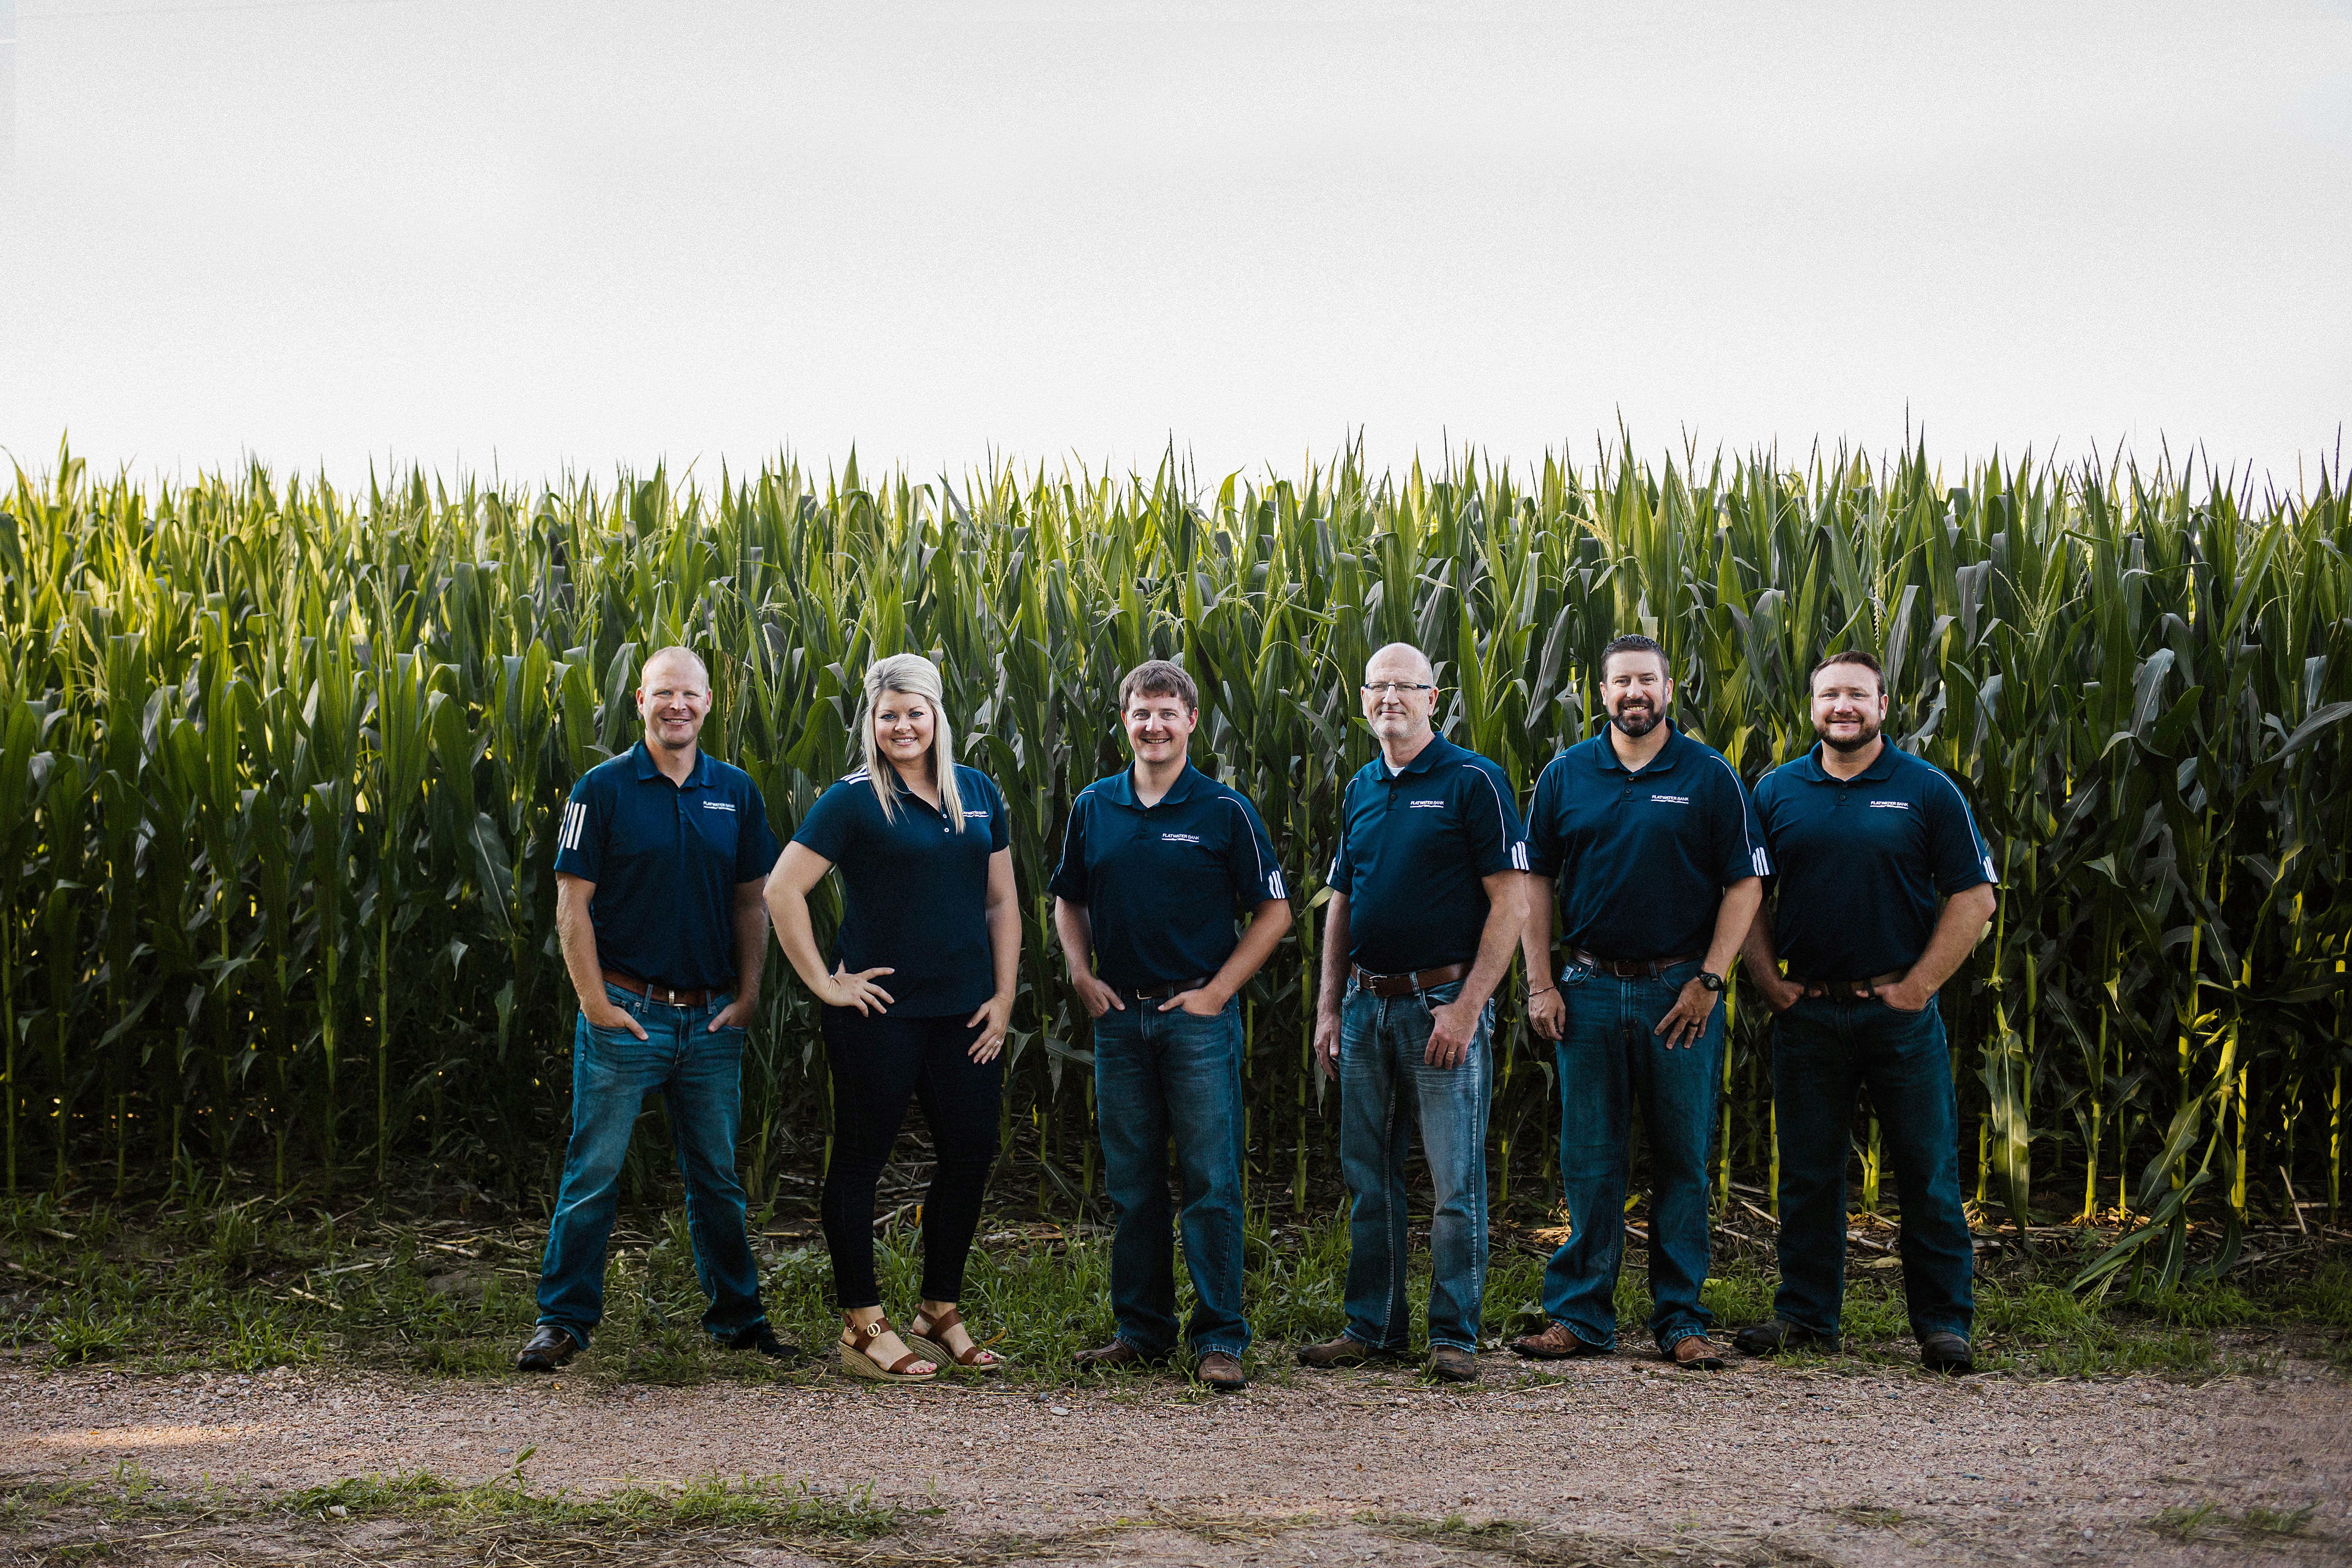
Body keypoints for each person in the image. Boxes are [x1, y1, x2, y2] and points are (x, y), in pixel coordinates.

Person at [518, 645, 795, 1372]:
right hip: (626, 1014)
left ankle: (738, 1320)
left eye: (691, 695)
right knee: (594, 1172)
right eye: (664, 693)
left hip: (708, 1023)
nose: (678, 706)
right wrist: (594, 1003)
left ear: (710, 702)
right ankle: (564, 1321)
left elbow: (750, 902)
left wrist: (747, 995)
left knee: (717, 1178)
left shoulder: (733, 791)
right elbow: (570, 902)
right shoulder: (601, 789)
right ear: (639, 699)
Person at [1733, 649, 1998, 1374]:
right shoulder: (1776, 790)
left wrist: (1916, 987)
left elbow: (1974, 897)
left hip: (1898, 1019)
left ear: (1884, 705)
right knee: (1809, 1175)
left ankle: (1943, 1324)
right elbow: (1746, 895)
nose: (1842, 707)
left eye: (1857, 695)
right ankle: (1806, 1316)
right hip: (1809, 1014)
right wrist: (1768, 982)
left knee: (1926, 1170)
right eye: (1829, 695)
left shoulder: (1925, 790)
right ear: (1812, 706)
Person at [1512, 632, 1766, 1369]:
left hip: (1675, 991)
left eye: (1646, 681)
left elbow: (1745, 881)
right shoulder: (1566, 774)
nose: (1633, 693)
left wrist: (1710, 980)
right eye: (1620, 681)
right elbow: (1534, 882)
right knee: (1589, 1157)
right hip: (1586, 989)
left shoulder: (1708, 774)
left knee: (1682, 1157)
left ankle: (1680, 1319)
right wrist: (1539, 981)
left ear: (1667, 689)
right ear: (1601, 692)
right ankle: (1580, 1316)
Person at [764, 653, 1019, 1382]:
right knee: (861, 1160)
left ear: (938, 715)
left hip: (966, 1011)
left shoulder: (976, 791)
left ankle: (939, 1311)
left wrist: (1003, 996)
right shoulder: (851, 800)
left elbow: (1001, 901)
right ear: (869, 723)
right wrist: (826, 983)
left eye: (915, 711)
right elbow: (783, 891)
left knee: (969, 1155)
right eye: (887, 713)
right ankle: (862, 1324)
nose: (901, 725)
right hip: (879, 1013)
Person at [1052, 660, 1291, 1393]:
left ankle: (1219, 1337)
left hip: (1195, 1019)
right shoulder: (1095, 805)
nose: (1153, 725)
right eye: (1140, 713)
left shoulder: (1223, 811)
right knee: (1132, 1183)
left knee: (1210, 1180)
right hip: (1120, 1018)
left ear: (1190, 721)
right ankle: (1141, 1331)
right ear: (1123, 721)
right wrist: (1080, 972)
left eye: (1166, 712)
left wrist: (1218, 992)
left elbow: (1275, 910)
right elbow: (1068, 898)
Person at [1300, 642, 1529, 1385]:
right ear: (1362, 699)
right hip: (1366, 1007)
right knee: (1370, 1175)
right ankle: (1373, 1327)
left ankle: (1453, 1333)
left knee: (1453, 1179)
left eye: (1406, 686)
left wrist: (1466, 1009)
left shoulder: (1473, 781)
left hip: (1440, 1008)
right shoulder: (1362, 785)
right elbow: (1343, 901)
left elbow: (1512, 901)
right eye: (1377, 687)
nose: (1389, 698)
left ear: (1435, 697)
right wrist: (1329, 1007)